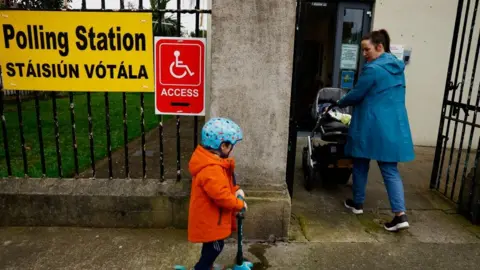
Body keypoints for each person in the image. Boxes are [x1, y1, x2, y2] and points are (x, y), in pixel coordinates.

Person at [328, 29, 415, 232]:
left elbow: (357, 94)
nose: (364, 54)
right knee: (390, 170)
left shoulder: (373, 69)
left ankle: (357, 204)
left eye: (366, 49)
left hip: (370, 124)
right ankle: (400, 215)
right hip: (392, 125)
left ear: (379, 47)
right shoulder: (397, 67)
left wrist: (338, 102)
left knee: (360, 162)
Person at [187, 117, 247, 270]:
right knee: (215, 247)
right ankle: (202, 267)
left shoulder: (213, 163)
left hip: (211, 218)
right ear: (223, 146)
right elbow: (222, 197)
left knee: (210, 247)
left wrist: (235, 189)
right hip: (210, 220)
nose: (232, 149)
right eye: (231, 145)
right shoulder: (211, 169)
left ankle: (207, 266)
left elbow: (224, 186)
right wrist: (239, 204)